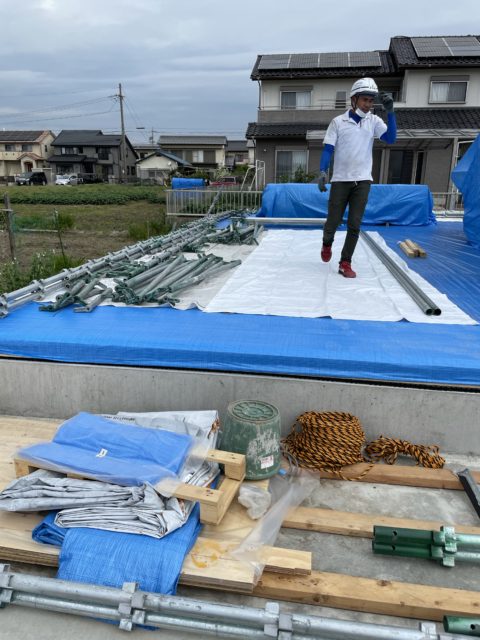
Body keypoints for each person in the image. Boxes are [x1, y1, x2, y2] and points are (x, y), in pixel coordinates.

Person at [318, 77, 397, 278]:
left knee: (355, 224)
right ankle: (327, 243)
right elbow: (328, 149)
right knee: (333, 221)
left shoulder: (374, 121)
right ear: (354, 99)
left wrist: (390, 112)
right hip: (340, 180)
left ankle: (345, 262)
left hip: (363, 180)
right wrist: (323, 171)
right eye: (364, 100)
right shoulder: (338, 122)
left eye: (371, 101)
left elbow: (390, 139)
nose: (368, 104)